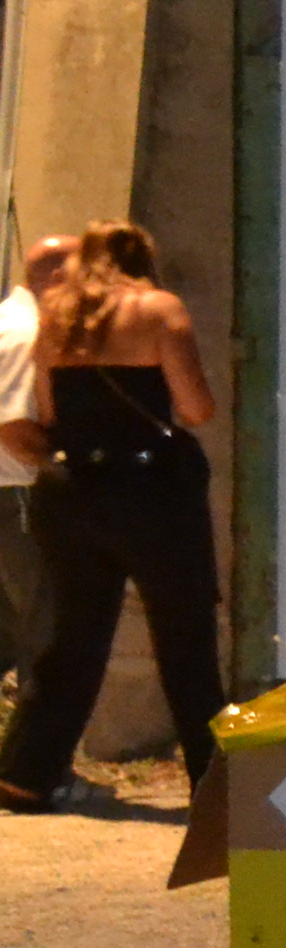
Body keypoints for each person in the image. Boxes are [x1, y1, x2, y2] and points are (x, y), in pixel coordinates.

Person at [0, 221, 225, 811]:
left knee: (74, 637)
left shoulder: (55, 319)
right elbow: (196, 407)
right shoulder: (159, 310)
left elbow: (50, 411)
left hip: (71, 489)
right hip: (153, 491)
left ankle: (25, 775)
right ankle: (213, 784)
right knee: (184, 634)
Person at [0, 235, 68, 680]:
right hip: (19, 495)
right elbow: (14, 428)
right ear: (59, 278)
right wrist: (67, 469)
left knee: (13, 629)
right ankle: (40, 720)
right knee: (45, 627)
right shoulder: (27, 333)